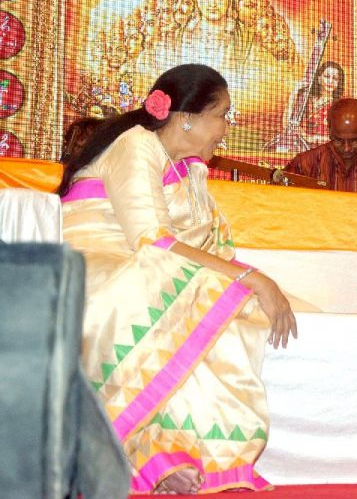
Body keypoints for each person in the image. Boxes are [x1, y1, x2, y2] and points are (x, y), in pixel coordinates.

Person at [57, 64, 298, 494]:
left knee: (221, 300)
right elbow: (153, 242)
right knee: (203, 292)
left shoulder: (189, 172)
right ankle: (142, 454)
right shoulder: (136, 145)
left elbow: (207, 249)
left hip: (147, 264)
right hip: (98, 264)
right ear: (187, 116)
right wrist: (254, 279)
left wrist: (252, 282)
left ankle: (164, 451)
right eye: (223, 114)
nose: (227, 127)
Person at [283, 97, 357, 194]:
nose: (346, 148)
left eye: (354, 141)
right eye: (338, 140)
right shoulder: (305, 165)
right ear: (329, 130)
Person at [266, 60, 345, 153]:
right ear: (319, 79)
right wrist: (293, 93)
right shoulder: (305, 100)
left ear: (338, 83)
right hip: (300, 148)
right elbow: (286, 125)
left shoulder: (340, 106)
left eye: (335, 78)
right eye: (327, 76)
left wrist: (310, 138)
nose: (330, 81)